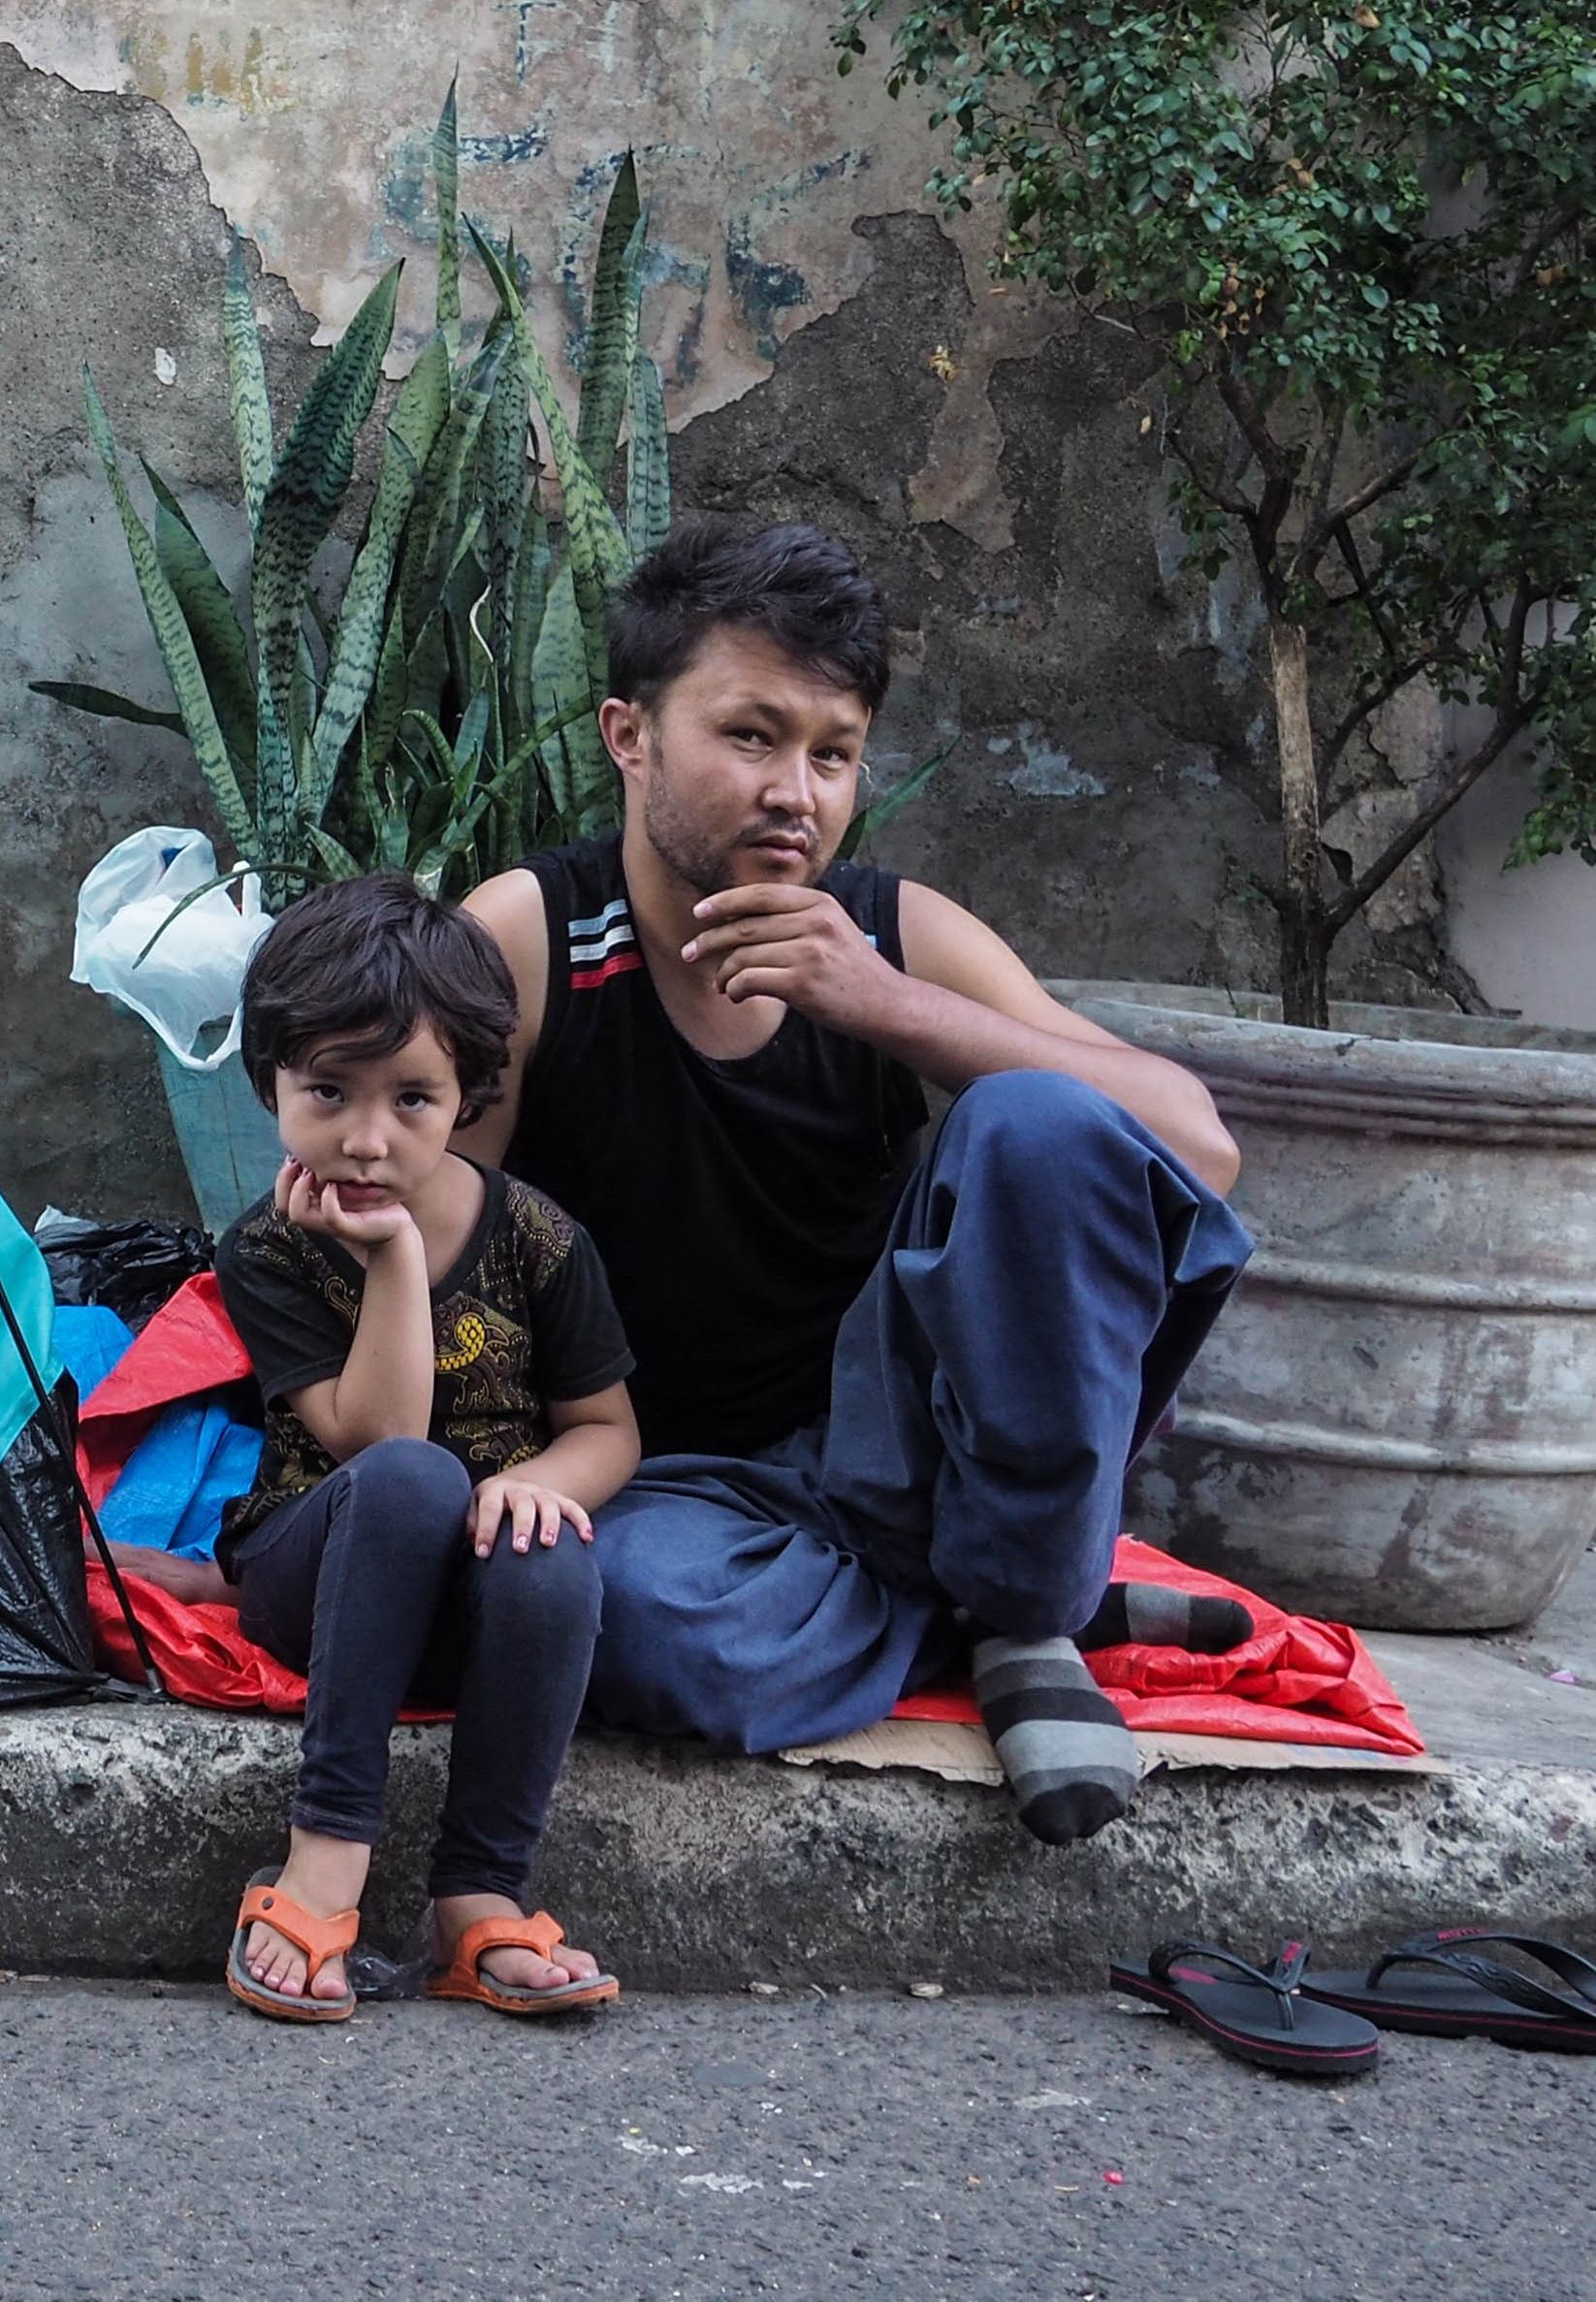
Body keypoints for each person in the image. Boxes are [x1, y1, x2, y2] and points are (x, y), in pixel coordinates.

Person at [455, 519, 1254, 1845]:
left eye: (831, 753)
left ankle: (1009, 1594)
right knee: (627, 1621)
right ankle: (1005, 1605)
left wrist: (884, 1005)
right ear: (627, 734)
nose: (795, 791)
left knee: (1046, 1123)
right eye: (750, 735)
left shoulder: (893, 932)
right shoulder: (530, 939)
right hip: (660, 1486)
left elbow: (1195, 1144)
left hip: (893, 1449)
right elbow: (444, 1246)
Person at [206, 877, 636, 2023]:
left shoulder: (540, 1239)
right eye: (326, 1093)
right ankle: (322, 1857)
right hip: (320, 1574)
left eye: (411, 1099)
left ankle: (478, 1898)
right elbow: (376, 1440)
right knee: (412, 1475)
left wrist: (538, 1485)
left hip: (473, 1609)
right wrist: (393, 1256)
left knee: (549, 1546)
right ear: (270, 1086)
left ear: (467, 1096)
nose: (364, 1138)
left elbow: (607, 1430)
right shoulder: (267, 1247)